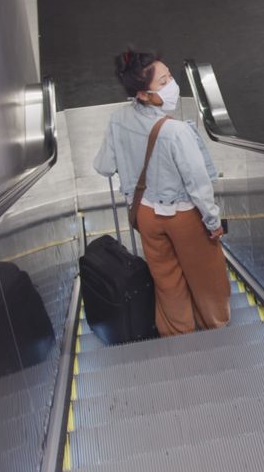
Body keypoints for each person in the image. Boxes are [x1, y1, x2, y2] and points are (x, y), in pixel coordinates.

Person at [94, 50, 230, 336]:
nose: (172, 86)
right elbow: (198, 183)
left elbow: (103, 166)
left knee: (166, 279)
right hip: (182, 216)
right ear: (144, 94)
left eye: (169, 76)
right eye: (164, 81)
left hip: (144, 214)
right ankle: (216, 327)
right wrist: (213, 221)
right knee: (207, 277)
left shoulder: (118, 119)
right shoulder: (176, 131)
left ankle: (177, 334)